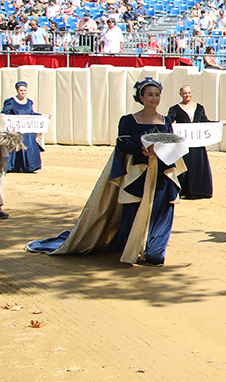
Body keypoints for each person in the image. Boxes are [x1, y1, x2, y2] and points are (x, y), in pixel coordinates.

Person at [27, 78, 184, 266]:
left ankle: (155, 252)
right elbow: (123, 142)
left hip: (161, 172)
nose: (154, 98)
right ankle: (131, 247)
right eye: (149, 94)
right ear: (141, 97)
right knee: (133, 211)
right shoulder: (128, 120)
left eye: (157, 94)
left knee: (163, 210)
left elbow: (169, 141)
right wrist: (140, 150)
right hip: (138, 172)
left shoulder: (166, 120)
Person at [166, 85, 224, 200]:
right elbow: (169, 122)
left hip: (197, 143)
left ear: (192, 93)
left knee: (198, 165)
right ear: (180, 94)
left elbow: (205, 122)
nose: (187, 95)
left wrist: (219, 123)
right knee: (185, 166)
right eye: (184, 93)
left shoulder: (199, 107)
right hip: (184, 144)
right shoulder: (175, 108)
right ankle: (185, 191)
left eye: (188, 93)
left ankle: (200, 190)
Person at [3, 81, 43, 173]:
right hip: (15, 130)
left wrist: (41, 116)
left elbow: (31, 113)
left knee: (29, 146)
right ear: (17, 90)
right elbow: (5, 111)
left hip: (27, 130)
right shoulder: (11, 101)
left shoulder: (29, 102)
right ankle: (12, 166)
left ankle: (29, 167)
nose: (23, 92)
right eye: (21, 90)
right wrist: (3, 115)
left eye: (24, 90)